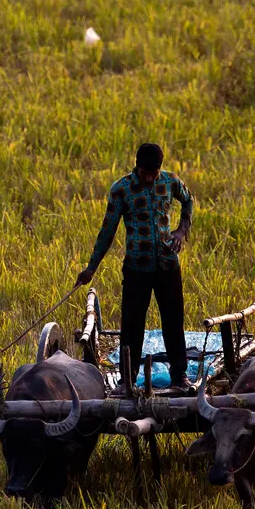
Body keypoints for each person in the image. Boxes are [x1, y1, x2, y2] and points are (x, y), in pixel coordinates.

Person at [75, 142, 194, 392]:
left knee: (173, 322)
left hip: (167, 264)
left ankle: (180, 377)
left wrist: (182, 231)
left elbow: (188, 200)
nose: (150, 179)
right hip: (136, 268)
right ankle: (128, 380)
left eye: (154, 174)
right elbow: (107, 231)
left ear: (159, 169)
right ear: (136, 167)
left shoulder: (170, 182)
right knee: (132, 325)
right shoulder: (121, 190)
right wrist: (91, 268)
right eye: (145, 173)